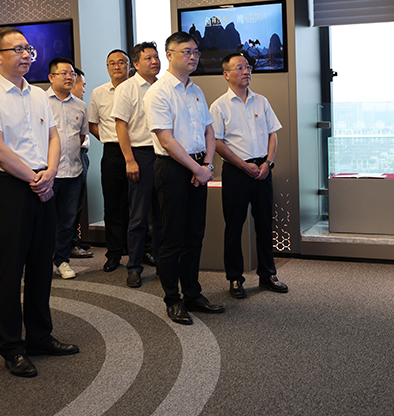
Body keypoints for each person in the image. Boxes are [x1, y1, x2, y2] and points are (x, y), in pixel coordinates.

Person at [0, 27, 78, 378]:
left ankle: (39, 336)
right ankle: (11, 347)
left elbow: (53, 137)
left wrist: (49, 172)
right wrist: (36, 180)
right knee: (9, 271)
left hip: (43, 182)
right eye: (16, 49)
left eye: (27, 48)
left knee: (40, 266)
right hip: (11, 187)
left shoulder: (37, 94)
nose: (25, 54)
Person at [144, 31, 224, 325]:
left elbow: (209, 131)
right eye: (187, 52)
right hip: (173, 169)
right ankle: (172, 299)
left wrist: (206, 164)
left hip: (199, 166)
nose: (193, 56)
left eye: (196, 52)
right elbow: (166, 140)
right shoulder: (158, 92)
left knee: (194, 235)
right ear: (170, 54)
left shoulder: (196, 90)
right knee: (172, 238)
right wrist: (196, 169)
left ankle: (192, 294)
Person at [210, 53, 288, 298]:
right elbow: (217, 142)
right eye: (240, 68)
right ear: (226, 74)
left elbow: (273, 134)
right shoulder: (219, 106)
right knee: (234, 226)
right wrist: (243, 166)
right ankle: (235, 278)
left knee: (265, 224)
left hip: (263, 170)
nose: (246, 71)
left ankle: (268, 274)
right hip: (236, 171)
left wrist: (268, 163)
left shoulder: (261, 101)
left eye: (248, 67)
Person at [112, 42, 163, 288]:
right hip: (140, 155)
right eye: (148, 58)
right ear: (136, 64)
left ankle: (164, 263)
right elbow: (120, 125)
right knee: (139, 217)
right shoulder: (127, 88)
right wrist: (130, 160)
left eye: (156, 57)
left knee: (163, 215)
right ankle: (134, 267)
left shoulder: (164, 86)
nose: (154, 61)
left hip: (165, 155)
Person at [46, 57, 89, 279]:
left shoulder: (80, 105)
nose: (69, 77)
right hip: (47, 173)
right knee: (44, 221)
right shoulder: (40, 102)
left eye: (72, 73)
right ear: (51, 77)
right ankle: (41, 261)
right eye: (63, 73)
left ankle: (62, 260)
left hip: (73, 172)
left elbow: (81, 136)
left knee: (68, 220)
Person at [89, 49, 130, 272]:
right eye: (112, 63)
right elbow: (92, 124)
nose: (116, 66)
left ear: (129, 66)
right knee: (113, 204)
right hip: (112, 153)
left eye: (121, 62)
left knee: (139, 205)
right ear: (107, 68)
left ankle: (141, 249)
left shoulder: (138, 89)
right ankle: (114, 253)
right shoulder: (98, 92)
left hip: (137, 151)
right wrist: (108, 138)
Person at [69, 66, 93, 259]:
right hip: (70, 156)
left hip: (82, 155)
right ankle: (69, 244)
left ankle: (73, 241)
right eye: (82, 85)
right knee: (71, 205)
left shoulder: (80, 105)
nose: (84, 90)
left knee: (77, 203)